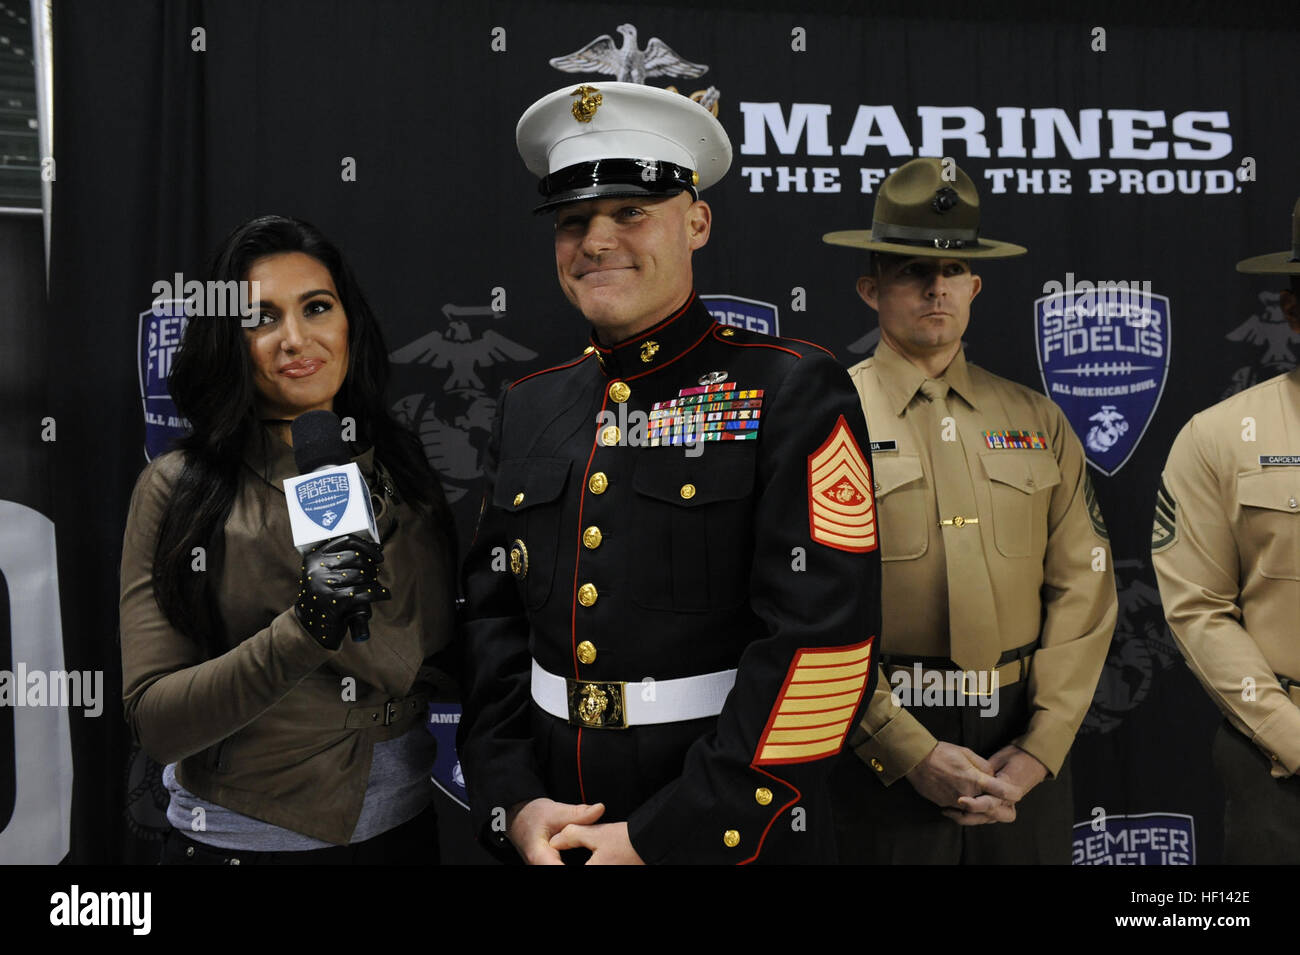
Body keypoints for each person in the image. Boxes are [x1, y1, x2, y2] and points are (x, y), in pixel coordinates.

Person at [456, 81, 882, 865]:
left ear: (697, 222)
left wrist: (666, 836)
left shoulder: (789, 386)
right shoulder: (530, 404)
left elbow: (824, 649)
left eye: (630, 213)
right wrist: (515, 805)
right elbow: (492, 630)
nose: (595, 240)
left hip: (725, 833)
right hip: (552, 829)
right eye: (573, 220)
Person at [119, 215, 457, 864]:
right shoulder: (177, 488)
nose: (295, 339)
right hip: (240, 846)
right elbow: (157, 720)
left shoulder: (400, 463)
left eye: (317, 307)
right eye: (262, 318)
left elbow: (424, 651)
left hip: (406, 834)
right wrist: (302, 631)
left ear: (348, 322)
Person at [822, 157, 1117, 863]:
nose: (935, 287)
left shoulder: (1036, 417)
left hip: (1021, 740)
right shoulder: (825, 416)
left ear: (975, 285)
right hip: (876, 743)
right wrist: (904, 746)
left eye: (953, 271)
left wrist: (1040, 750)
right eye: (910, 270)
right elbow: (805, 603)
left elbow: (1085, 588)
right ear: (871, 289)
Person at [1151, 197, 1300, 864]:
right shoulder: (1218, 437)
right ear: (1292, 310)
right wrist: (1291, 737)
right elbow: (1200, 611)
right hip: (1275, 759)